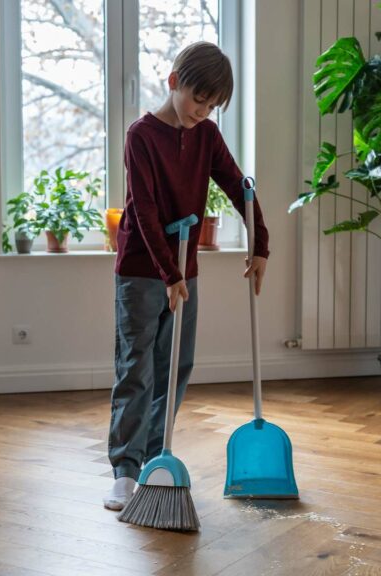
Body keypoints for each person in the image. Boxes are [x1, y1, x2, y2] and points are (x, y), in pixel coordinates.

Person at [104, 41, 271, 510]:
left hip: (183, 270)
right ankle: (125, 470)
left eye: (213, 105)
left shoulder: (207, 137)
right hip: (142, 269)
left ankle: (159, 456)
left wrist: (261, 243)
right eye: (199, 99)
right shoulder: (142, 136)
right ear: (174, 82)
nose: (203, 111)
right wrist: (169, 273)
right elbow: (148, 210)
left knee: (175, 367)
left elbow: (240, 186)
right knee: (135, 368)